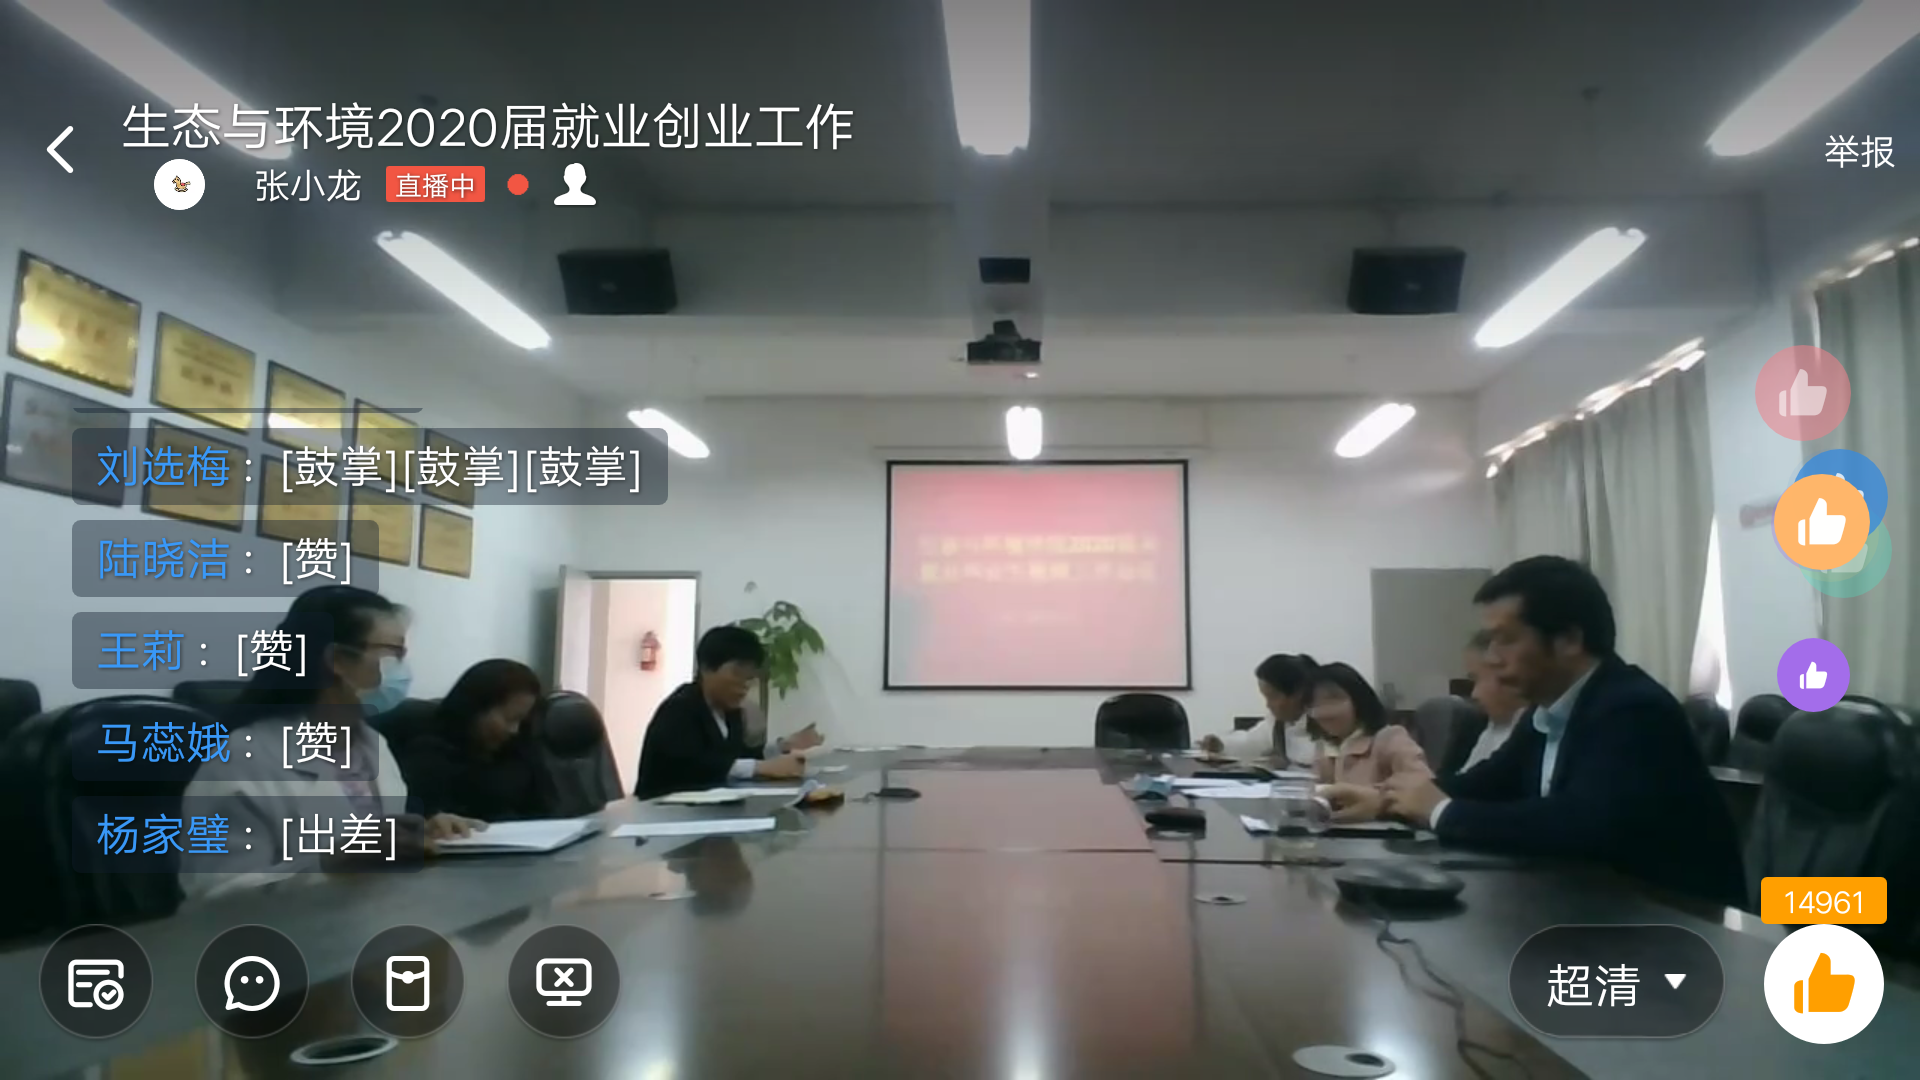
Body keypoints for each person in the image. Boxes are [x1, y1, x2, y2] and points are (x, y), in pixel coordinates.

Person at [1369, 555, 1745, 906]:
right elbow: (1486, 784)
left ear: (1569, 640)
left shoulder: (1632, 708)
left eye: (1507, 639)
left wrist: (1441, 812)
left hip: (1676, 921)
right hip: (1590, 907)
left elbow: (1579, 824)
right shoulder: (1547, 711)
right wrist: (1387, 800)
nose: (1492, 658)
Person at [180, 586, 482, 899]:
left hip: (376, 918)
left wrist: (424, 833)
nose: (403, 668)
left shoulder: (373, 744)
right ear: (337, 659)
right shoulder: (241, 758)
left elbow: (377, 840)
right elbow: (212, 895)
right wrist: (332, 865)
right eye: (394, 653)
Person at [634, 625, 825, 799]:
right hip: (662, 813)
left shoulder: (730, 712)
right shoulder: (679, 708)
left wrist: (783, 746)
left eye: (749, 678)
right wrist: (760, 768)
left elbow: (736, 758)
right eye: (737, 674)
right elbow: (692, 767)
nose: (744, 685)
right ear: (706, 667)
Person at [396, 659, 557, 822]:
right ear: (475, 708)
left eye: (521, 721)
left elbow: (549, 811)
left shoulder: (522, 749)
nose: (514, 730)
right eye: (509, 719)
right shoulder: (429, 754)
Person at [1303, 662, 1432, 819]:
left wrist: (1376, 797)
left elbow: (1423, 784)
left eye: (1334, 699)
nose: (1325, 711)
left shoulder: (1390, 737)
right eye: (1315, 704)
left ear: (1359, 699)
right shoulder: (1326, 747)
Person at [1197, 653, 1319, 765]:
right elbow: (1251, 742)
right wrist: (1221, 745)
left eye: (1273, 697)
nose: (1268, 705)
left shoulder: (1324, 721)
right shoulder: (1277, 724)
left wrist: (1290, 765)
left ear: (1298, 694)